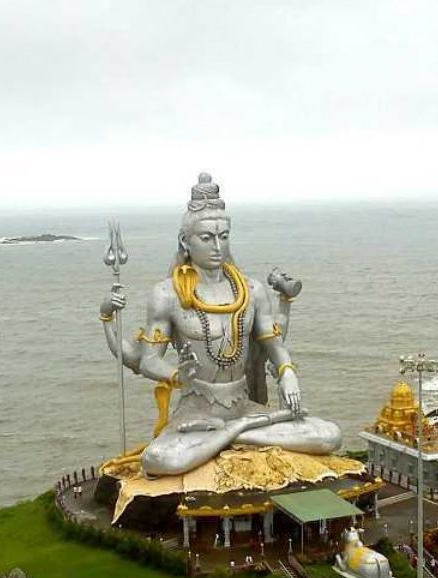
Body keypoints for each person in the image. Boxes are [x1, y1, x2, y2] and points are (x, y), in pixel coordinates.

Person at [99, 173, 341, 477]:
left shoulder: (251, 290)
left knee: (328, 435)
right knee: (160, 460)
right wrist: (176, 375)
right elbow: (148, 360)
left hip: (243, 404)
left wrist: (287, 373)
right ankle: (241, 433)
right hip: (197, 411)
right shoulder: (167, 294)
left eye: (223, 237)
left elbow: (275, 346)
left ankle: (234, 432)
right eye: (206, 238)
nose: (217, 246)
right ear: (185, 241)